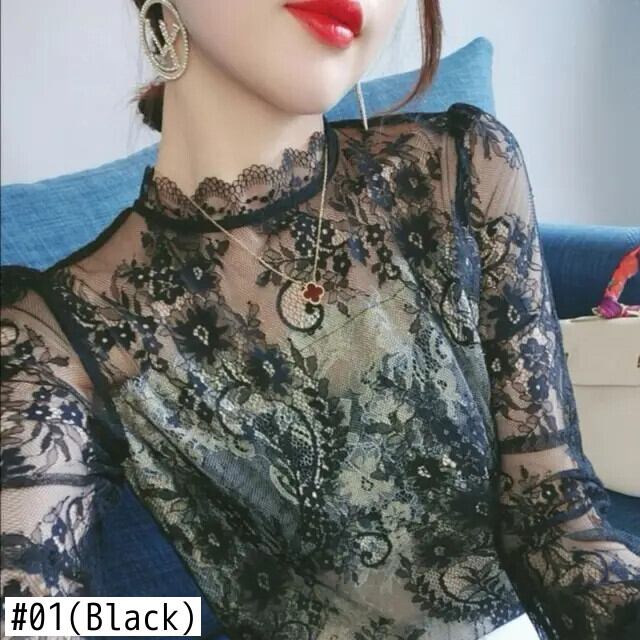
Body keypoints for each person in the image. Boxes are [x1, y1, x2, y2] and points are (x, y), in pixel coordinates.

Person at [1, 1, 639, 638]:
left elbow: (552, 508)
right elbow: (34, 615)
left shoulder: (461, 166)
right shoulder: (54, 334)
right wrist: (177, 625)